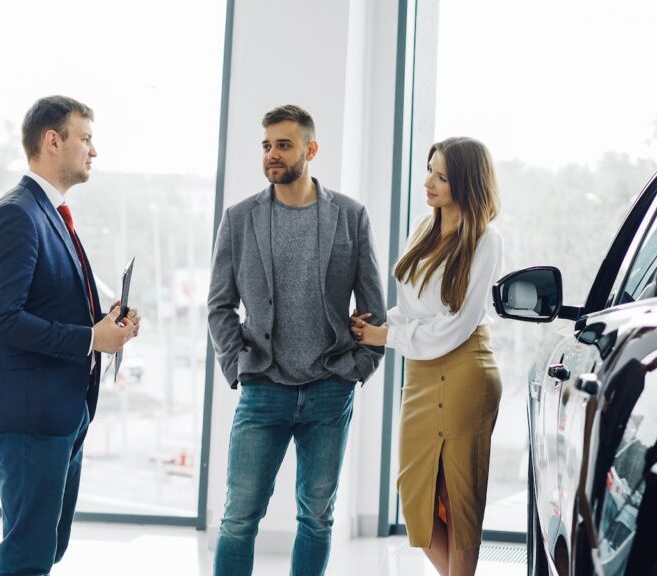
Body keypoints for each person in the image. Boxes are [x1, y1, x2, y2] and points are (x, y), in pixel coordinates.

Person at [207, 104, 386, 576]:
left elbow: (373, 303)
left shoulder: (349, 216)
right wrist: (237, 364)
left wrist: (359, 367)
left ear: (311, 149)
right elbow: (219, 304)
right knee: (239, 517)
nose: (272, 155)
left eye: (283, 145)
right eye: (266, 145)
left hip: (330, 388)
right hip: (264, 388)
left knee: (317, 517)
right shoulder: (240, 218)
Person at [0, 95, 140, 576]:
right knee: (27, 556)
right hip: (31, 416)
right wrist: (91, 341)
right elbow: (3, 320)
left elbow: (51, 303)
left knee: (47, 549)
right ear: (53, 140)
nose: (94, 151)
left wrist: (109, 323)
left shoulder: (51, 213)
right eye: (85, 138)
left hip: (61, 410)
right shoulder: (16, 216)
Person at [351, 137, 503, 576]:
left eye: (441, 176)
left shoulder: (485, 240)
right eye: (429, 170)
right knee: (414, 491)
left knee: (459, 499)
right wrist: (378, 327)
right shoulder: (423, 226)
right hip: (420, 372)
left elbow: (457, 324)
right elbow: (416, 308)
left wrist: (387, 336)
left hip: (465, 371)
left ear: (468, 183)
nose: (428, 182)